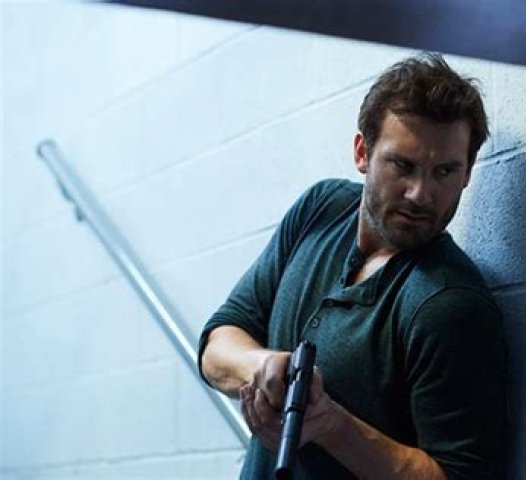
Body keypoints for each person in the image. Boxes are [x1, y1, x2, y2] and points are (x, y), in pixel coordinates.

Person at [198, 52, 507, 479]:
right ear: (363, 152)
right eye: (403, 166)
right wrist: (263, 368)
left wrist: (333, 427)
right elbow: (218, 345)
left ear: (468, 173)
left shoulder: (449, 303)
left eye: (445, 171)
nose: (421, 193)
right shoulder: (320, 209)